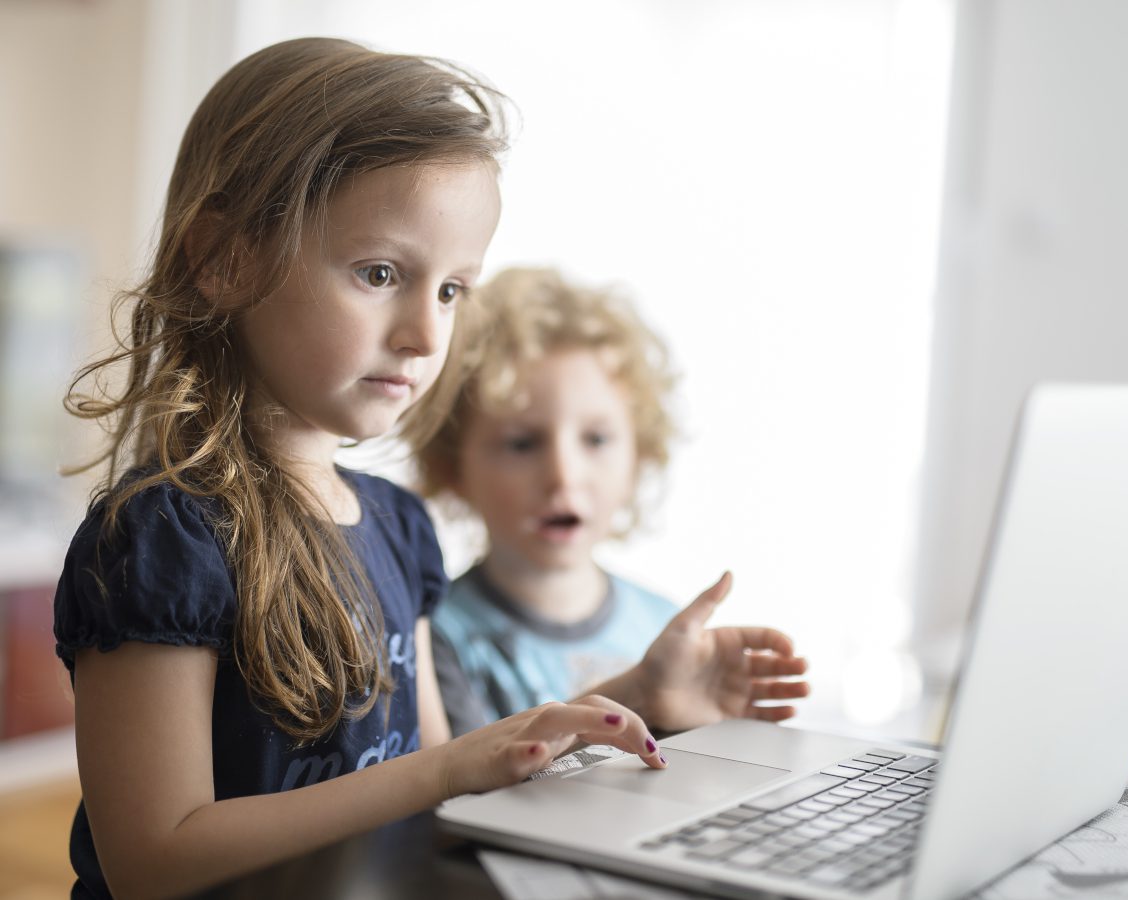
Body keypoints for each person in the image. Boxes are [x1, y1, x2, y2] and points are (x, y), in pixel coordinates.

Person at [52, 37, 809, 899]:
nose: (426, 333)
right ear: (223, 260)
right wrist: (445, 771)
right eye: (380, 273)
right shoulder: (158, 539)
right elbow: (153, 861)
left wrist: (639, 693)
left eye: (452, 289)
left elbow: (449, 773)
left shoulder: (398, 527)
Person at [414, 267, 703, 735]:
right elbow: (465, 792)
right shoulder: (438, 640)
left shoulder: (663, 626)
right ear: (451, 465)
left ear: (640, 453)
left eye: (596, 439)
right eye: (523, 444)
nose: (563, 476)